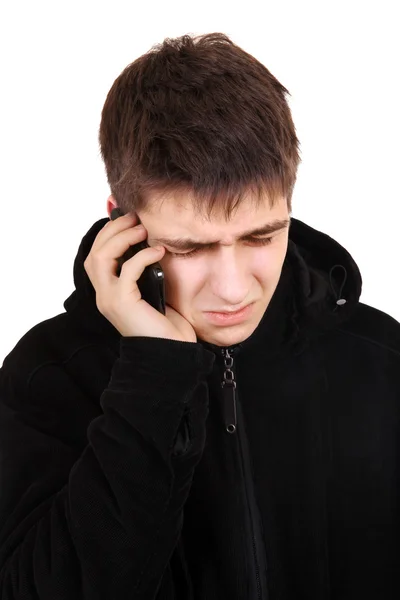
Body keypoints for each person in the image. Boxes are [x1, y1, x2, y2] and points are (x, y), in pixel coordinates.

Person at [0, 31, 399, 600]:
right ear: (122, 223)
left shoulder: (383, 358)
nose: (234, 288)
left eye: (262, 235)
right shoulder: (48, 377)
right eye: (189, 249)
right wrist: (152, 380)